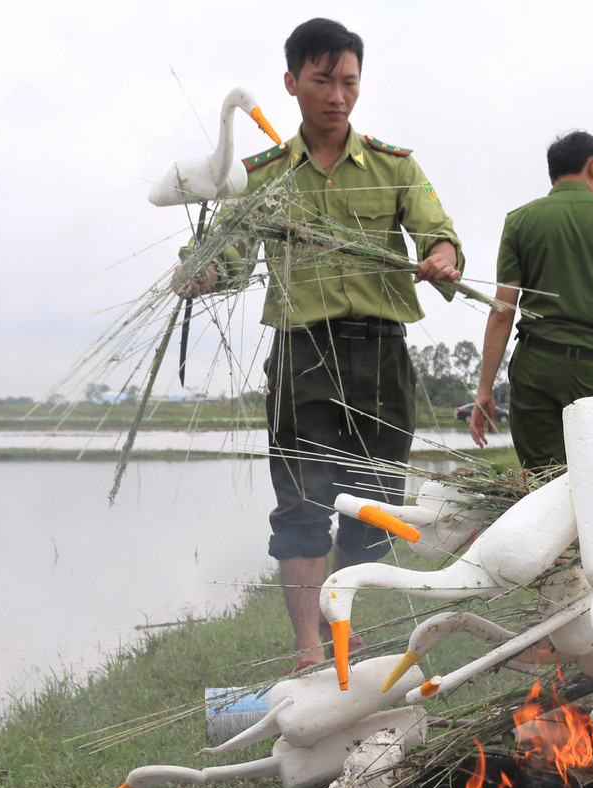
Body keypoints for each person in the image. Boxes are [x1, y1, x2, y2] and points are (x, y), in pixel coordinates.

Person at [176, 18, 463, 669]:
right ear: (291, 82)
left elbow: (438, 232)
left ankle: (343, 624)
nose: (338, 95)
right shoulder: (262, 176)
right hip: (302, 357)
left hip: (381, 357)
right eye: (323, 80)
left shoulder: (394, 165)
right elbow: (229, 253)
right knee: (302, 503)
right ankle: (309, 647)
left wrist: (442, 255)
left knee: (373, 504)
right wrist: (203, 271)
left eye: (350, 82)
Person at [469, 130, 593, 469]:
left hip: (536, 368)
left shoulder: (519, 222)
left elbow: (502, 312)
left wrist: (484, 390)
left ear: (553, 177)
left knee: (541, 481)